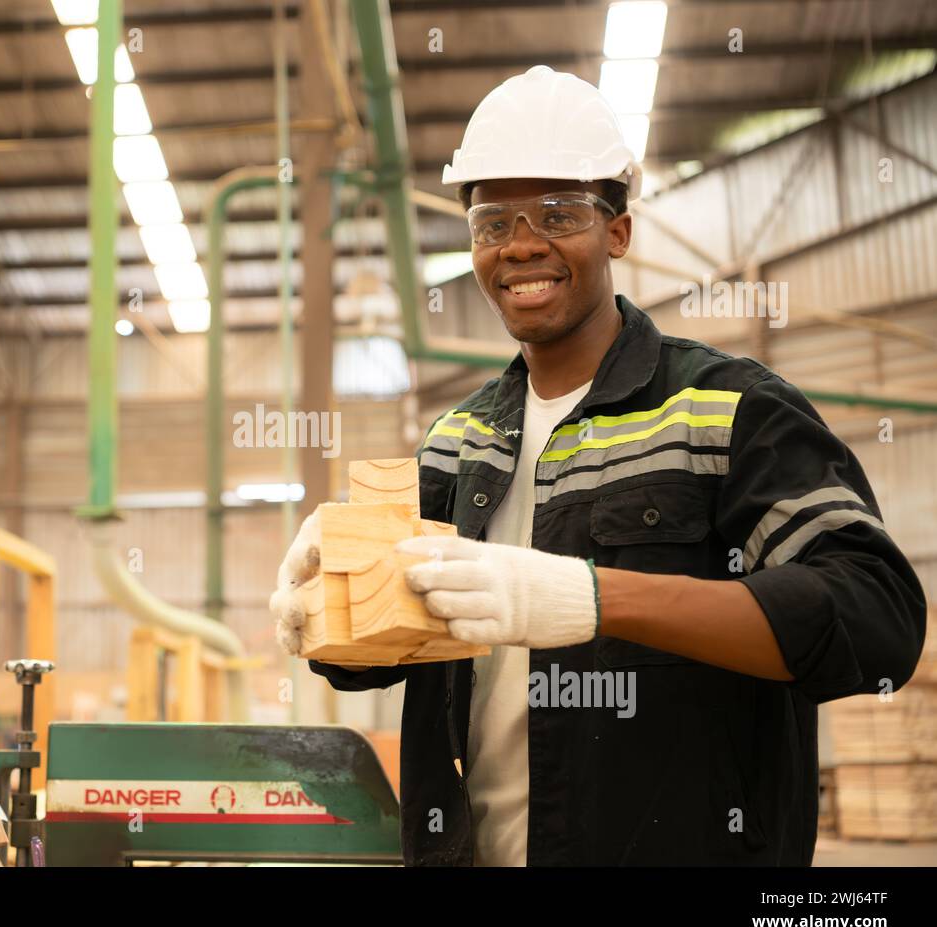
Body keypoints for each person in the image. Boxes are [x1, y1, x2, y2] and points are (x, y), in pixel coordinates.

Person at [268, 66, 927, 866]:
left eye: (559, 214)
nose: (521, 245)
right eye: (492, 221)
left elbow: (877, 617)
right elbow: (378, 654)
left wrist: (589, 599)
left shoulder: (728, 412)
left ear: (618, 230)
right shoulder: (456, 442)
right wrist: (324, 601)